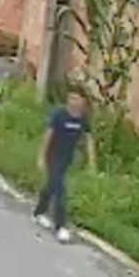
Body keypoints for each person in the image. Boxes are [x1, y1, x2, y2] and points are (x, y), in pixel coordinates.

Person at [33, 87, 96, 243]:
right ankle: (61, 227)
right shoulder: (59, 115)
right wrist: (41, 156)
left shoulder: (83, 118)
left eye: (76, 99)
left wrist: (91, 162)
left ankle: (39, 212)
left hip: (66, 159)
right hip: (52, 157)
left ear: (83, 101)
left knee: (51, 186)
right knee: (60, 191)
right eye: (70, 98)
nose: (72, 102)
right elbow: (48, 136)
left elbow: (89, 139)